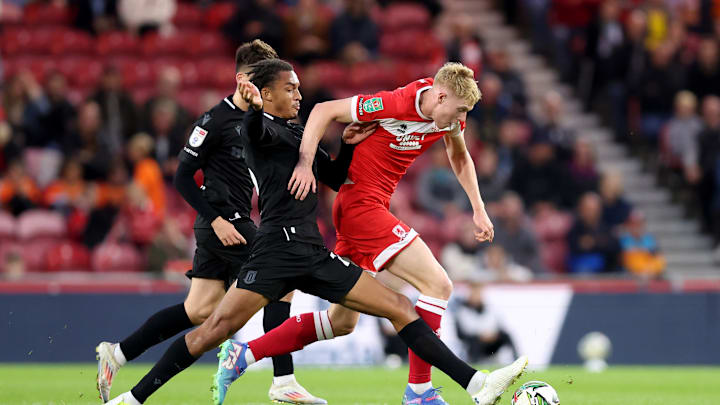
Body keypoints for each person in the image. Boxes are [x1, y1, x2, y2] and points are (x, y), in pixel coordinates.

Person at [104, 59, 527, 405]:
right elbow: (255, 132)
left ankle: (467, 385)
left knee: (387, 310)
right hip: (274, 250)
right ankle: (134, 399)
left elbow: (334, 174)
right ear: (265, 95)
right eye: (291, 89)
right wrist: (253, 112)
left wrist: (346, 144)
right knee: (207, 329)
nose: (300, 95)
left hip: (309, 251)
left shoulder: (292, 131)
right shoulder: (260, 130)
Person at [95, 40, 329, 405]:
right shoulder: (215, 121)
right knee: (283, 278)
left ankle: (119, 356)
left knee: (199, 310)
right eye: (259, 78)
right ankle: (283, 381)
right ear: (242, 79)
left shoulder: (264, 122)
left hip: (232, 222)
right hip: (224, 223)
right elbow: (183, 177)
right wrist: (216, 218)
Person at [249, 62, 497, 405]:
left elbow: (459, 154)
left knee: (341, 322)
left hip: (365, 208)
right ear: (440, 96)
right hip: (361, 207)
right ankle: (420, 392)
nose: (459, 120)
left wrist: (478, 208)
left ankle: (242, 355)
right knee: (438, 285)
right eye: (457, 110)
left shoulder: (451, 113)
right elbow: (323, 110)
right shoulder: (395, 103)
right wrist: (306, 163)